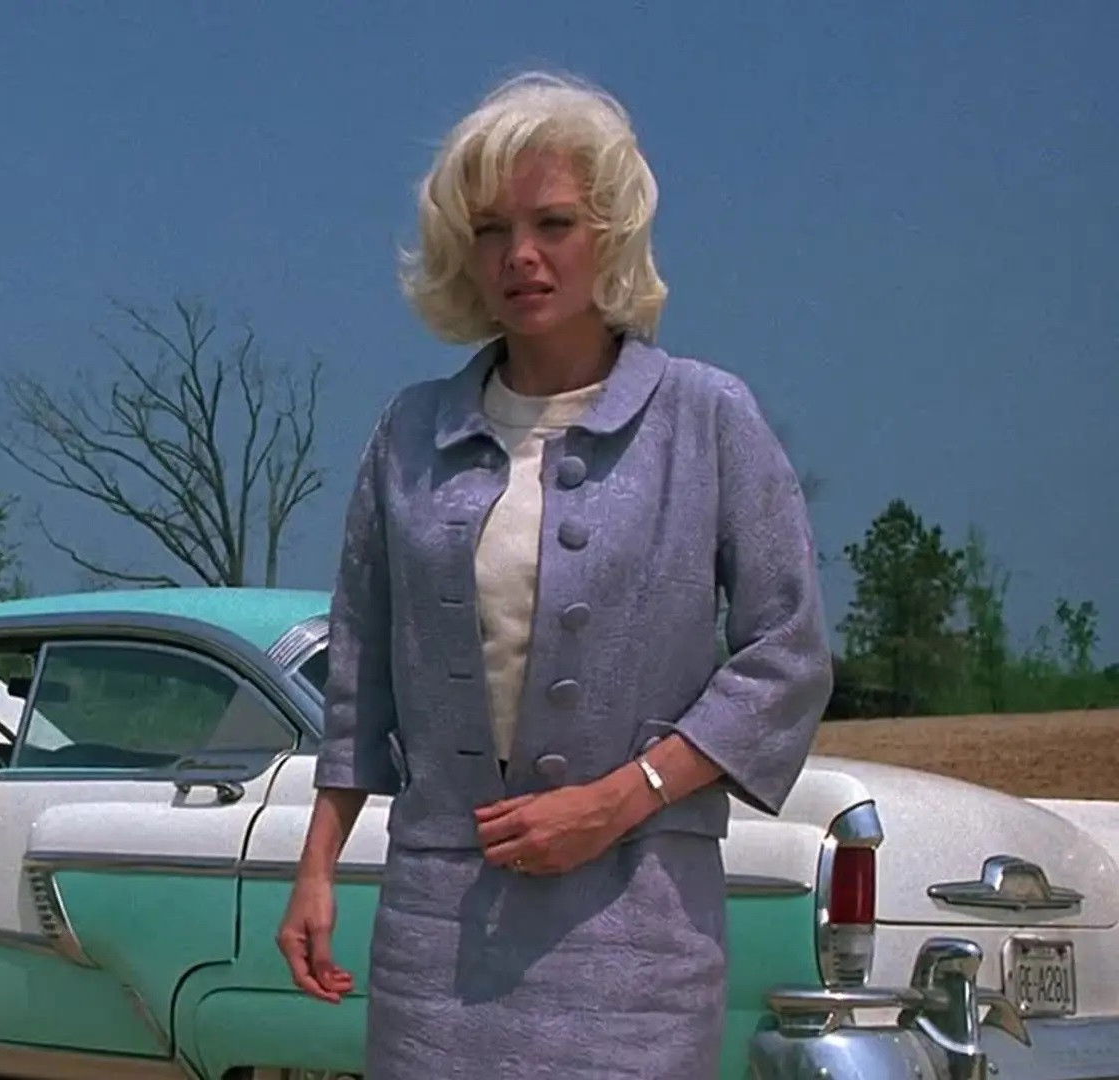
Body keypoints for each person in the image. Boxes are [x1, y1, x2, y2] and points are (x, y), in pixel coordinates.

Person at [276, 72, 833, 1078]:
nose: (520, 255)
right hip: (437, 932)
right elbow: (361, 670)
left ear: (610, 234)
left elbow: (786, 656)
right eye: (491, 230)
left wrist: (622, 797)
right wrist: (317, 867)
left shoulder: (707, 418)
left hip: (639, 926)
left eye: (554, 223)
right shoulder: (408, 432)